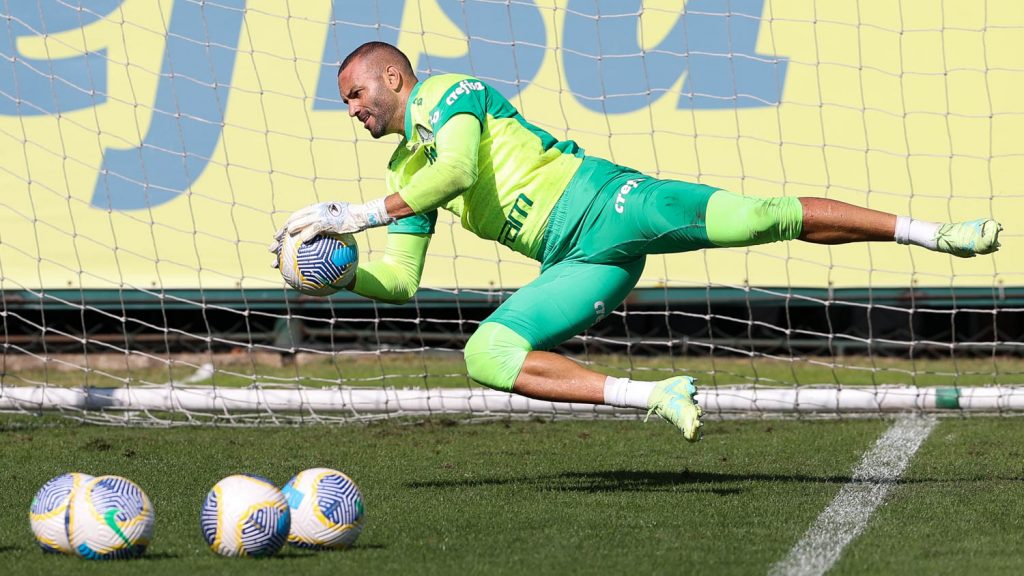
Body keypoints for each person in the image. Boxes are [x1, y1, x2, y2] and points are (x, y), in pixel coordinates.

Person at [270, 41, 1002, 442]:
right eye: (346, 104)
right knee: (484, 355)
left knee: (759, 217)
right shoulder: (403, 171)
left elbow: (458, 165)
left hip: (611, 203)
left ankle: (936, 234)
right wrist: (335, 276)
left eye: (356, 96)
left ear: (392, 78)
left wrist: (359, 215)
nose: (352, 112)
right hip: (581, 262)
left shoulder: (446, 94)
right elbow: (400, 283)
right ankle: (655, 394)